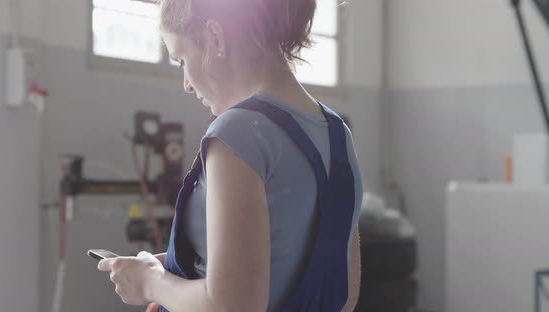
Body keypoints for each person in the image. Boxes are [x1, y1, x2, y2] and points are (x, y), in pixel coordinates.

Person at [98, 0, 363, 311]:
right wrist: (179, 272)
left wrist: (151, 283)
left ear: (215, 37)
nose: (186, 84)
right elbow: (342, 294)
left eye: (182, 60)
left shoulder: (239, 132)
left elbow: (230, 306)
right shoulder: (337, 135)